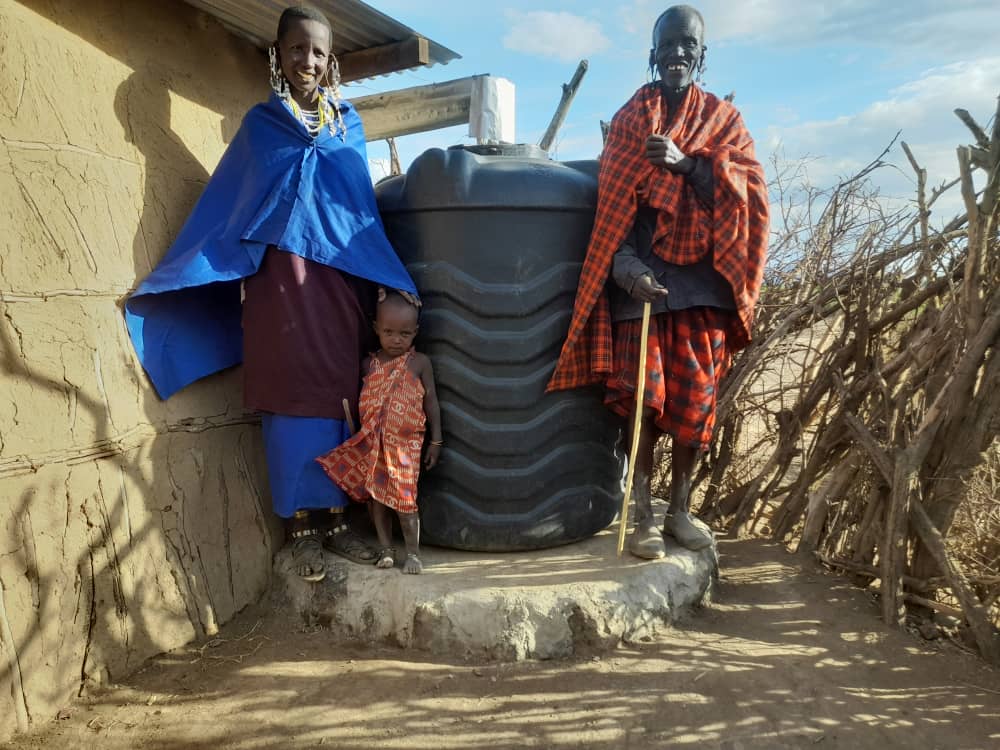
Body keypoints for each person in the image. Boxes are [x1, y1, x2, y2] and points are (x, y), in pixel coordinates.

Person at [125, 6, 419, 581]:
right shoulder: (261, 128)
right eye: (296, 49)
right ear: (277, 55)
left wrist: (389, 275)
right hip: (278, 288)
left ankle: (336, 522)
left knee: (337, 395)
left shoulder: (348, 128)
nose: (306, 60)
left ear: (330, 61)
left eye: (317, 52)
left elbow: (359, 214)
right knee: (289, 398)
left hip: (337, 288)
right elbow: (230, 208)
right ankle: (299, 529)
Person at [547, 5, 769, 559]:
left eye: (687, 45)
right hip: (641, 285)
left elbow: (749, 203)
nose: (676, 54)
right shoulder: (628, 123)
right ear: (652, 53)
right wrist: (627, 271)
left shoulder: (724, 122)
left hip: (703, 289)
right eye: (666, 44)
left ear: (702, 55)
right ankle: (641, 511)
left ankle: (681, 512)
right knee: (642, 402)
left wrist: (687, 164)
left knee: (695, 406)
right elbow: (610, 217)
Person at [316, 292, 442, 574]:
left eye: (405, 333)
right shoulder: (367, 365)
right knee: (377, 500)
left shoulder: (419, 362)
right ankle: (386, 549)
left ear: (416, 333)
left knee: (406, 502)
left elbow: (431, 401)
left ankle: (413, 554)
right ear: (375, 329)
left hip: (405, 448)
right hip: (373, 446)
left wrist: (436, 440)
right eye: (389, 332)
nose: (397, 339)